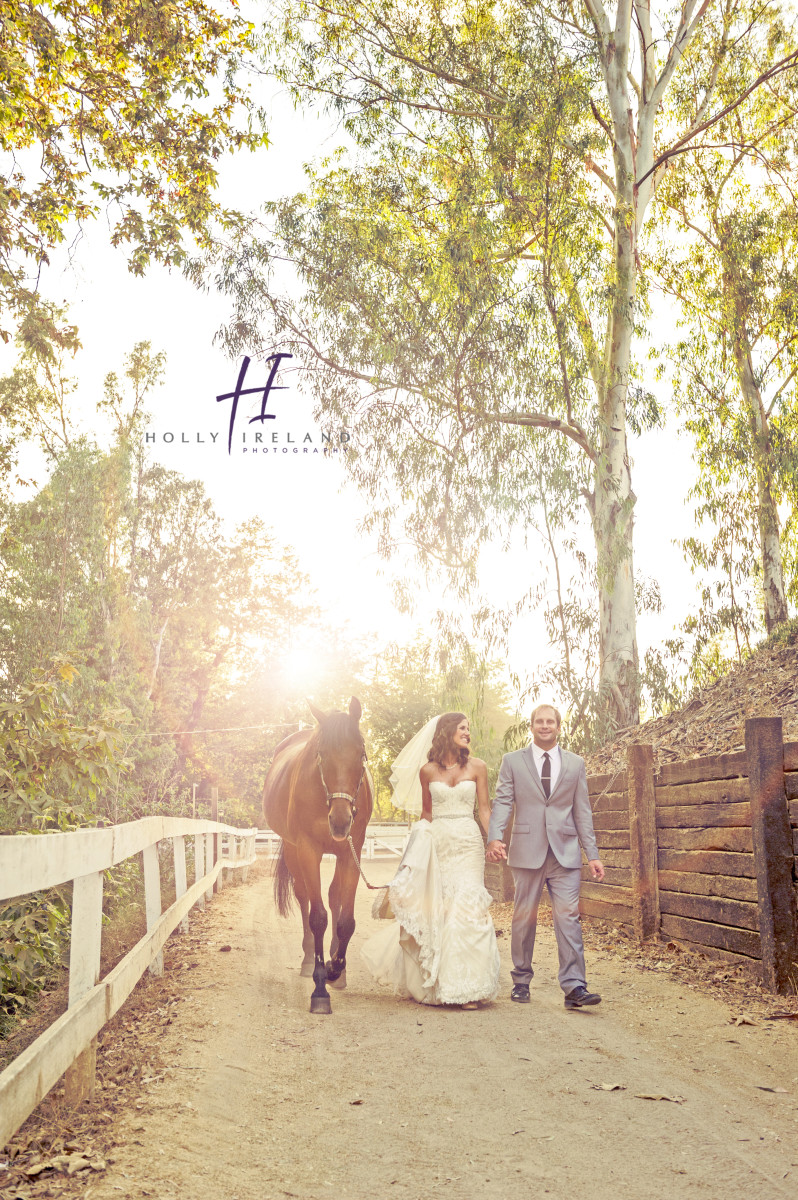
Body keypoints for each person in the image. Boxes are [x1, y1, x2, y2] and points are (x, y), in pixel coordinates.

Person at [361, 712, 501, 1006]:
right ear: (447, 731)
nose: (467, 733)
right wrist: (415, 851)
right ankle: (443, 985)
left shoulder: (478, 767)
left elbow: (485, 810)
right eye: (462, 728)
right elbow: (426, 814)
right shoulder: (427, 771)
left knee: (468, 904)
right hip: (438, 844)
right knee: (443, 909)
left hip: (467, 842)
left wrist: (495, 839)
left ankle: (470, 987)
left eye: (468, 729)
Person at [486, 703, 605, 1009]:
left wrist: (592, 854)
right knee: (524, 917)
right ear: (531, 726)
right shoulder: (513, 761)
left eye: (550, 721)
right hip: (527, 852)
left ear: (558, 726)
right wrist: (496, 836)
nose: (544, 725)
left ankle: (575, 986)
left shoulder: (575, 764)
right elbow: (503, 802)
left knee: (569, 918)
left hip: (565, 854)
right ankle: (521, 980)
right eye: (539, 721)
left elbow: (583, 811)